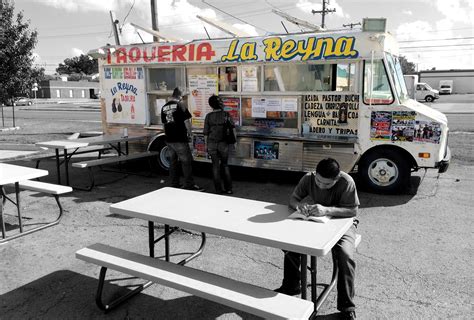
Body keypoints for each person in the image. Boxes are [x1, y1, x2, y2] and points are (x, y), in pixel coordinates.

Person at [275, 158, 359, 320]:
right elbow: (293, 199)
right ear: (315, 174)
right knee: (289, 242)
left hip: (343, 223)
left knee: (345, 255)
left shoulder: (347, 182)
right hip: (318, 220)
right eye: (319, 181)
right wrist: (299, 206)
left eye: (327, 184)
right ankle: (291, 286)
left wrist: (327, 210)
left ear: (337, 178)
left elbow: (352, 211)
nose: (321, 185)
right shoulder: (309, 178)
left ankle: (347, 306)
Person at [161, 87, 203, 191]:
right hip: (180, 139)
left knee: (173, 162)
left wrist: (168, 135)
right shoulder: (181, 105)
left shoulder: (164, 107)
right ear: (180, 96)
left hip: (169, 139)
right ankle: (189, 185)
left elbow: (164, 125)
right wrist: (190, 133)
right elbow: (186, 122)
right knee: (186, 162)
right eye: (183, 97)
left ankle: (174, 184)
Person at [203, 95, 236, 194]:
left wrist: (206, 145)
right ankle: (229, 189)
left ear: (211, 105)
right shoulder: (226, 114)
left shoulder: (208, 116)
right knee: (225, 165)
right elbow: (233, 129)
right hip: (223, 144)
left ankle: (218, 190)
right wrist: (235, 142)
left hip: (212, 144)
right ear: (220, 104)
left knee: (215, 166)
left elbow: (206, 133)